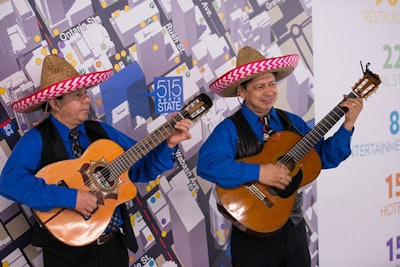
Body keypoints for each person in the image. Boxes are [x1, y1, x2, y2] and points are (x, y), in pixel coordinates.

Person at [0, 54, 192, 267]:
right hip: (67, 258)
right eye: (77, 95)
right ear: (55, 102)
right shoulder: (36, 140)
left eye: (85, 93)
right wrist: (70, 197)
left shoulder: (102, 131)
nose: (87, 99)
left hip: (113, 250)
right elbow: (9, 182)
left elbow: (141, 170)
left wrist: (169, 144)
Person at [197, 46, 363, 267]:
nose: (269, 91)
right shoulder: (229, 129)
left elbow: (323, 158)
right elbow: (207, 165)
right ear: (241, 91)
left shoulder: (293, 122)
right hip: (252, 233)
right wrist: (259, 172)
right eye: (259, 86)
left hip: (293, 228)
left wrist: (348, 124)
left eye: (272, 84)